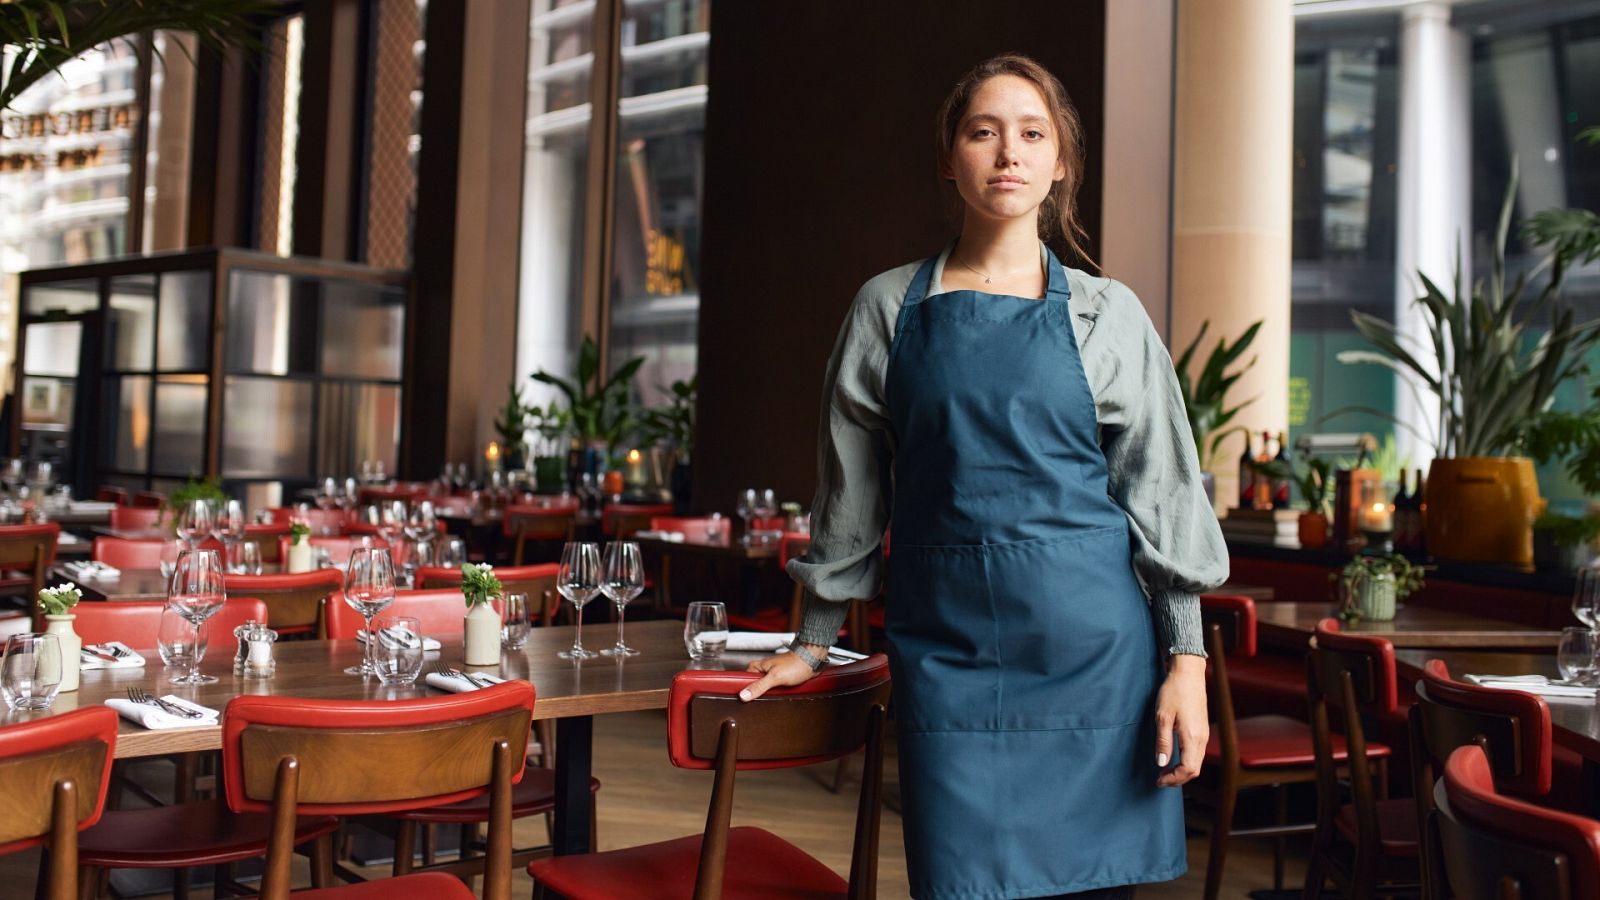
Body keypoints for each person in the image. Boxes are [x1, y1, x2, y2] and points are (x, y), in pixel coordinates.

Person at [739, 53, 1228, 900]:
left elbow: (1162, 493)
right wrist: (812, 641)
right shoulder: (887, 309)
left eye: (1032, 134)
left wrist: (1186, 663)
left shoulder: (1108, 315)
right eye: (984, 132)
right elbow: (852, 492)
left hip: (1096, 665)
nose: (1009, 153)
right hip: (950, 661)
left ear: (1060, 161)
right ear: (949, 158)